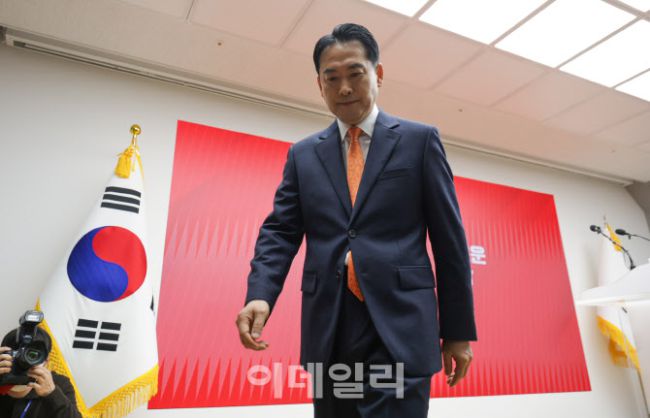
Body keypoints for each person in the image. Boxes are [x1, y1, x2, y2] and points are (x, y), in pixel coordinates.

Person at [236, 22, 477, 417]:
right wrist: (260, 293)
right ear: (320, 85)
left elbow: (450, 242)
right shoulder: (303, 155)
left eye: (355, 74)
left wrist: (457, 331)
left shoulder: (419, 141)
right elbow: (280, 231)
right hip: (331, 327)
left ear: (377, 74)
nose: (344, 88)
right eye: (332, 78)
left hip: (399, 325)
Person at [0, 328, 81, 418]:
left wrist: (53, 394)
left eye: (32, 355)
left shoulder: (59, 384)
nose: (23, 361)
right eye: (15, 354)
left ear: (46, 361)